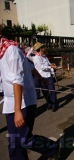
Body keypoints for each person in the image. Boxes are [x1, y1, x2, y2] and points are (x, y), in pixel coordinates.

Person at [0, 26, 60, 160]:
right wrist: (41, 79)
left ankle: (51, 147)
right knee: (14, 142)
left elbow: (17, 80)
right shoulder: (2, 52)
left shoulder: (12, 50)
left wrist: (17, 110)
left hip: (23, 101)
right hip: (10, 101)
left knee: (24, 139)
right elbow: (31, 67)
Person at [27, 42, 58, 112]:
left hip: (48, 76)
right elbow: (42, 67)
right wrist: (33, 48)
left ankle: (54, 105)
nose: (44, 48)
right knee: (45, 91)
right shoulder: (36, 57)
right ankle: (49, 103)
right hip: (42, 76)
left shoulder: (45, 57)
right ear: (40, 49)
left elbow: (48, 64)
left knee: (52, 90)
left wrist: (52, 65)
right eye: (42, 47)